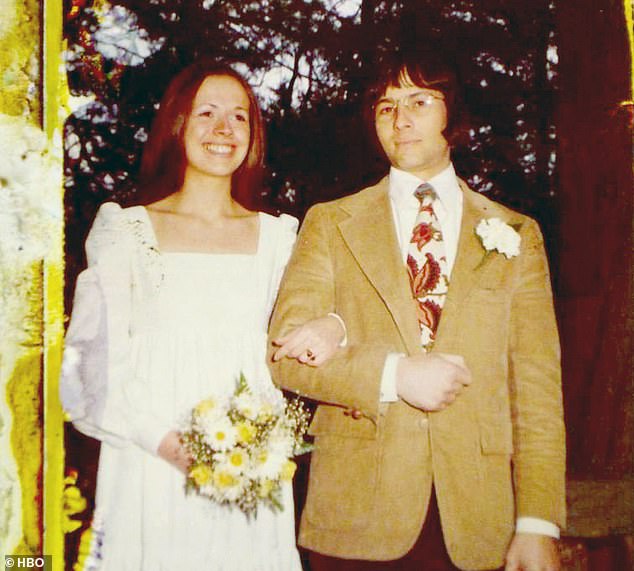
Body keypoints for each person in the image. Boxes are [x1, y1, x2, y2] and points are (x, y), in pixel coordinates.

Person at [268, 49, 566, 571]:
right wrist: (393, 376)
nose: (400, 119)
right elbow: (284, 354)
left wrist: (538, 521)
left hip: (480, 523)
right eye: (386, 108)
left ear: (454, 116)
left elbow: (537, 390)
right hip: (357, 522)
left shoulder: (517, 234)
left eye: (419, 101)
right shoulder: (331, 223)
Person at [60, 59, 342, 571]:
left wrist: (331, 326)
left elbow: (315, 333)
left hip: (246, 471)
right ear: (177, 126)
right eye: (205, 113)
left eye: (239, 117)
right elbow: (89, 364)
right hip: (148, 465)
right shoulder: (127, 232)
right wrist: (168, 445)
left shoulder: (280, 238)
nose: (222, 129)